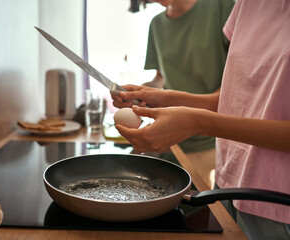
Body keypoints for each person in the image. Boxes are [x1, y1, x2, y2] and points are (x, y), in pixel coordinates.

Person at [111, 1, 290, 239]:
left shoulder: (221, 5)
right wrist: (164, 98)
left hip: (277, 203)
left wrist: (197, 123)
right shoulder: (248, 4)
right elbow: (238, 97)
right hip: (230, 183)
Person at [138, 0, 234, 188]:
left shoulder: (221, 6)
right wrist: (141, 92)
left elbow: (238, 84)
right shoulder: (157, 25)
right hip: (174, 139)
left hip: (215, 139)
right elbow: (162, 79)